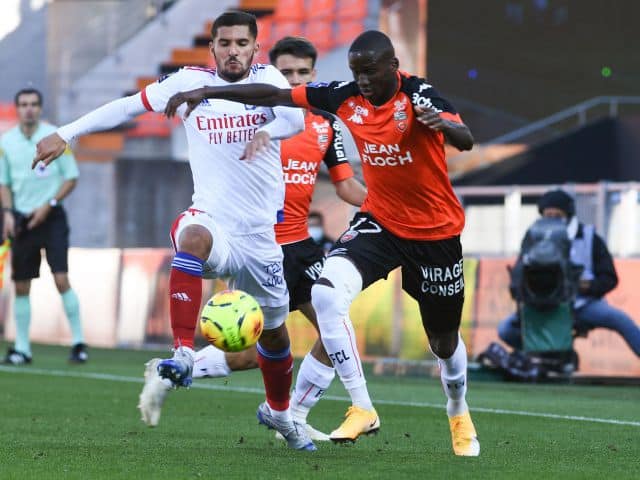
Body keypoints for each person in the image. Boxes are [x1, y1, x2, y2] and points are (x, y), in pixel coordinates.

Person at [163, 30, 479, 456]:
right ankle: (358, 407)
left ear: (392, 67)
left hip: (435, 232)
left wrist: (442, 125)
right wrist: (208, 89)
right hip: (379, 223)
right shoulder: (344, 97)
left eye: (369, 72)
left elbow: (465, 139)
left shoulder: (420, 94)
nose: (362, 81)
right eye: (355, 73)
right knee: (326, 297)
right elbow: (272, 95)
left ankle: (458, 411)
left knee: (443, 341)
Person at [34, 11, 315, 451]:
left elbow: (295, 120)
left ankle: (281, 415)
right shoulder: (185, 83)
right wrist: (67, 132)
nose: (233, 51)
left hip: (260, 236)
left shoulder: (268, 78)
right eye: (225, 43)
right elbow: (127, 105)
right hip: (214, 221)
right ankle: (183, 351)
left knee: (275, 337)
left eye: (242, 43)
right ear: (213, 47)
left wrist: (266, 130)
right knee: (192, 238)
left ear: (255, 47)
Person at [139, 36, 367, 441]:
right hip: (255, 245)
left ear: (312, 76)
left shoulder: (324, 125)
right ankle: (283, 413)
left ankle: (286, 413)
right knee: (259, 348)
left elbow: (346, 186)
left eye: (302, 73)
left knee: (331, 333)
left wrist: (385, 205)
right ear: (271, 74)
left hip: (300, 245)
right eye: (287, 72)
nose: (293, 79)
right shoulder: (250, 116)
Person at [0, 88, 87, 365]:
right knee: (21, 284)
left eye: (34, 104)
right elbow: (4, 183)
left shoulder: (55, 137)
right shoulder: (6, 142)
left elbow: (71, 178)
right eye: (24, 104)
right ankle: (23, 349)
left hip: (52, 217)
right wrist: (8, 213)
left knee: (61, 278)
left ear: (40, 108)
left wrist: (48, 204)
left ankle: (78, 343)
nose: (29, 109)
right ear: (17, 108)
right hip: (22, 218)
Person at [498, 189, 640, 358]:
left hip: (583, 304)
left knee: (620, 320)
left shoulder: (589, 237)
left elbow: (609, 278)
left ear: (568, 214)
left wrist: (585, 286)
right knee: (506, 330)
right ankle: (548, 358)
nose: (551, 220)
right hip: (540, 304)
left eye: (557, 215)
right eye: (547, 215)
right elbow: (520, 273)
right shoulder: (533, 237)